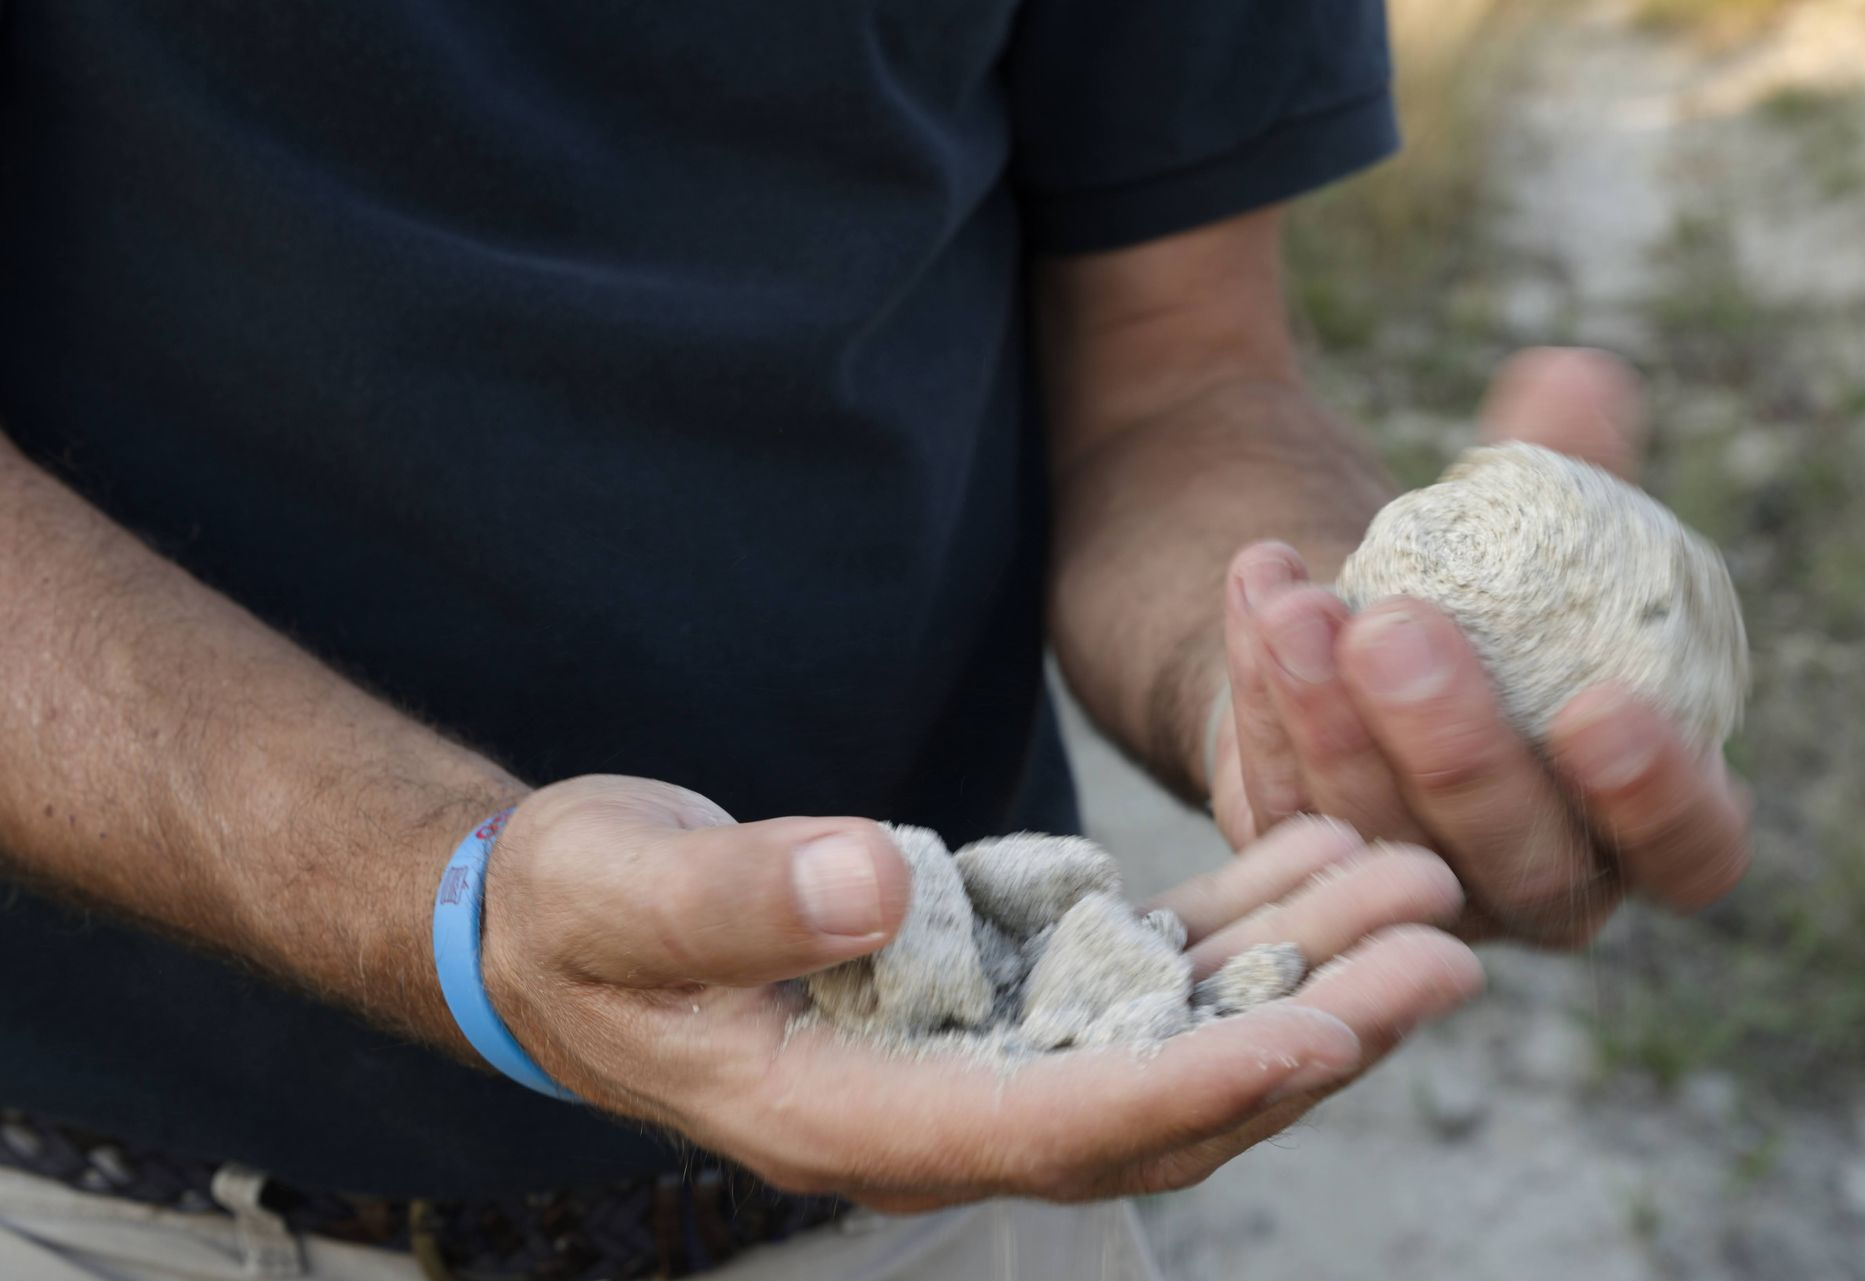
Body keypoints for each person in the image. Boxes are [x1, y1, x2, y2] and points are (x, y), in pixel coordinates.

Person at [0, 4, 1751, 1278]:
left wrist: (1282, 678)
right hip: (96, 1201)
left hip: (935, 1178)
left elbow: (1177, 368)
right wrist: (456, 902)